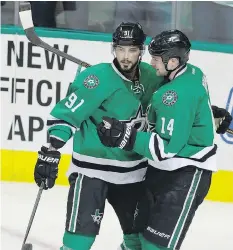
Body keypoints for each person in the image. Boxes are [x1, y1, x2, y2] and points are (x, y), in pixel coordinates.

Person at [97, 29, 233, 250]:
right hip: (158, 171)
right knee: (135, 238)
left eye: (156, 59)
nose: (151, 63)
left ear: (173, 61)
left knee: (154, 246)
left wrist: (125, 137)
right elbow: (193, 106)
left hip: (185, 174)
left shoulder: (175, 95)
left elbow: (165, 149)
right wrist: (209, 113)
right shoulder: (193, 73)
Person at [33, 22, 164, 250]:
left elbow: (178, 100)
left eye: (132, 50)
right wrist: (52, 149)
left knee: (137, 243)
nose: (125, 56)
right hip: (91, 172)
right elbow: (66, 115)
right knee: (78, 243)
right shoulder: (95, 78)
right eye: (120, 49)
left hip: (133, 174)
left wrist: (208, 114)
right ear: (113, 49)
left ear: (141, 51)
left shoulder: (152, 77)